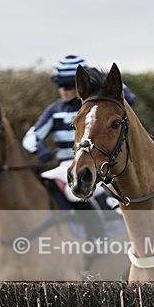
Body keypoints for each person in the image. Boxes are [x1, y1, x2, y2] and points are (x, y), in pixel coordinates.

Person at [23, 54, 135, 206]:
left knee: (77, 193)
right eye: (61, 86)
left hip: (99, 162)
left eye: (70, 86)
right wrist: (40, 149)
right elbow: (31, 136)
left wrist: (101, 77)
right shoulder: (55, 110)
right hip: (66, 165)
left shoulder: (96, 107)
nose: (65, 91)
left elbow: (128, 98)